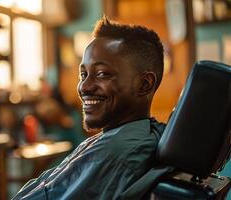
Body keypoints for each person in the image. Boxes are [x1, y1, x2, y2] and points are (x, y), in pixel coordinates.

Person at [12, 16, 166, 200]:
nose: (84, 87)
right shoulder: (133, 137)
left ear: (144, 84)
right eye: (83, 74)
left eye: (102, 74)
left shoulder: (113, 153)